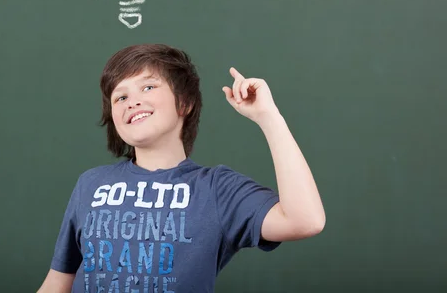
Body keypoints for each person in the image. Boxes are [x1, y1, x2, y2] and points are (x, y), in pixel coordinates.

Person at [37, 44, 325, 293]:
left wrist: (268, 117)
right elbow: (58, 282)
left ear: (184, 103)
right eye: (120, 97)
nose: (132, 101)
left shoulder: (216, 189)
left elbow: (306, 220)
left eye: (148, 87)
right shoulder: (91, 184)